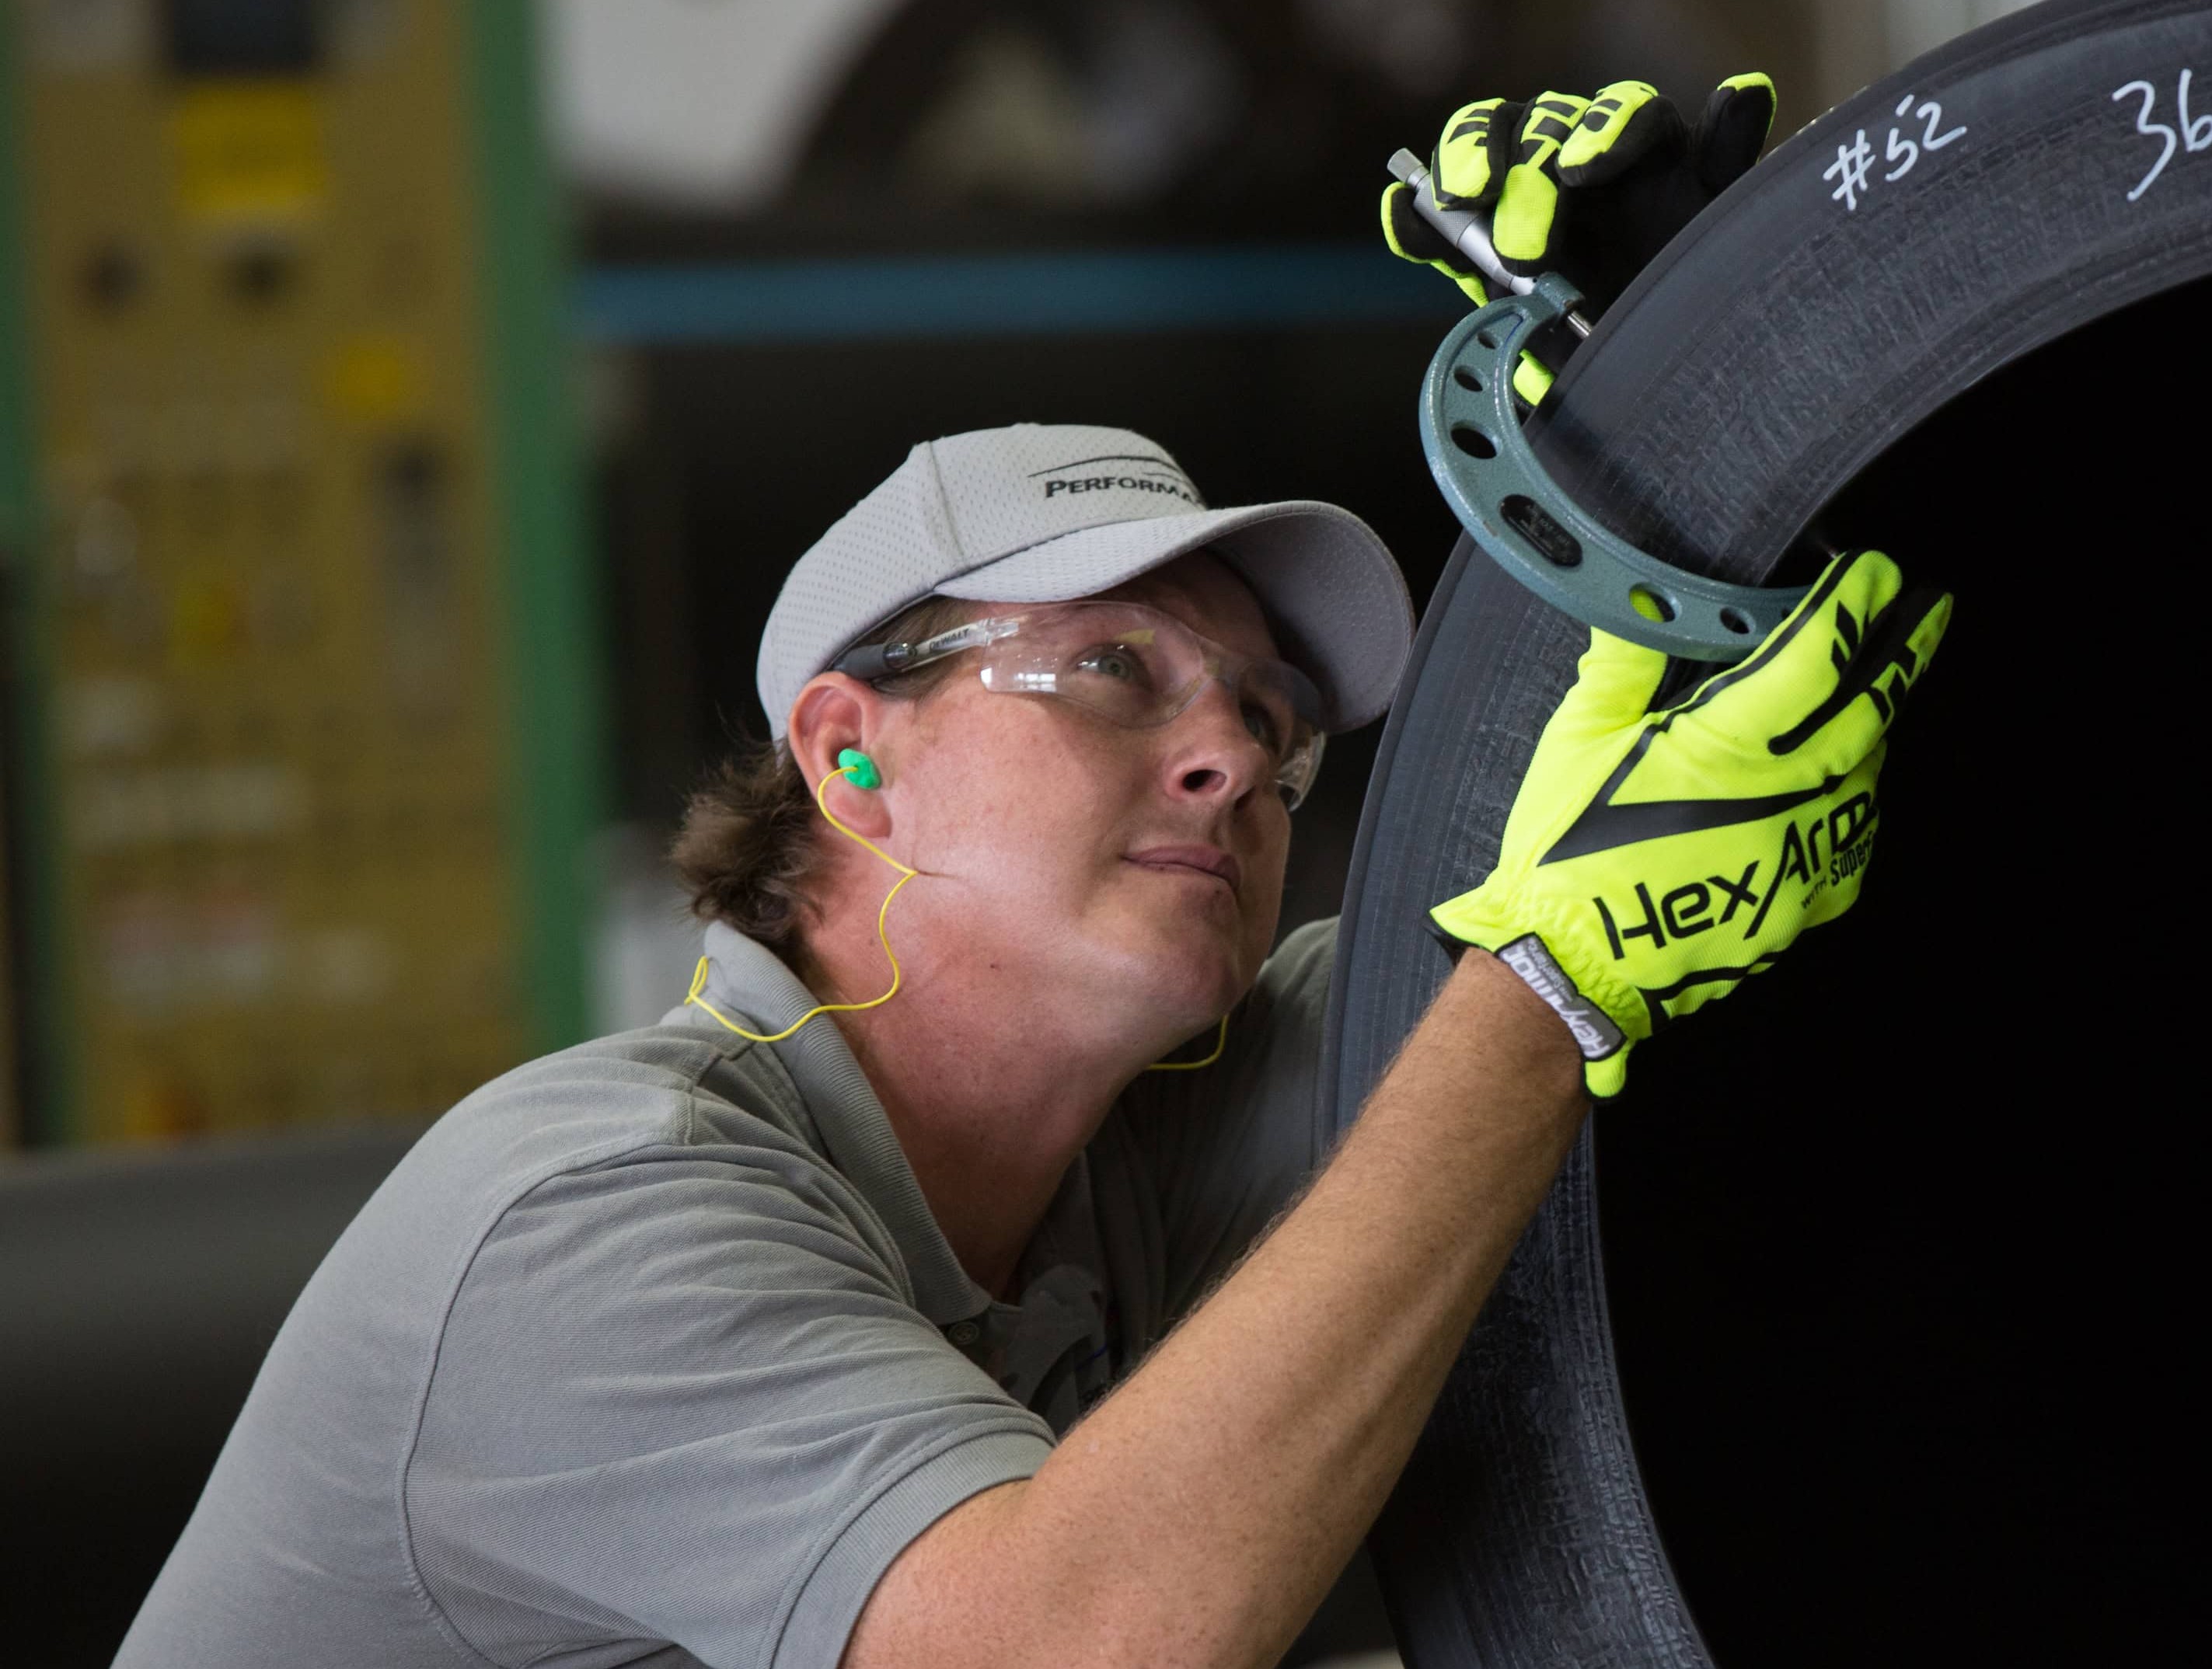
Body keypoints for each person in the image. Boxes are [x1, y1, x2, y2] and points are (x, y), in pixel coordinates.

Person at [116, 75, 1949, 1669]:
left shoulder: (1155, 1141)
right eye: (1109, 672)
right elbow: (1066, 1648)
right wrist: (1546, 995)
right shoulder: (589, 1219)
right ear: (854, 757)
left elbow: (1717, 787)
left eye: (1270, 713)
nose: (1234, 755)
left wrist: (1690, 381)